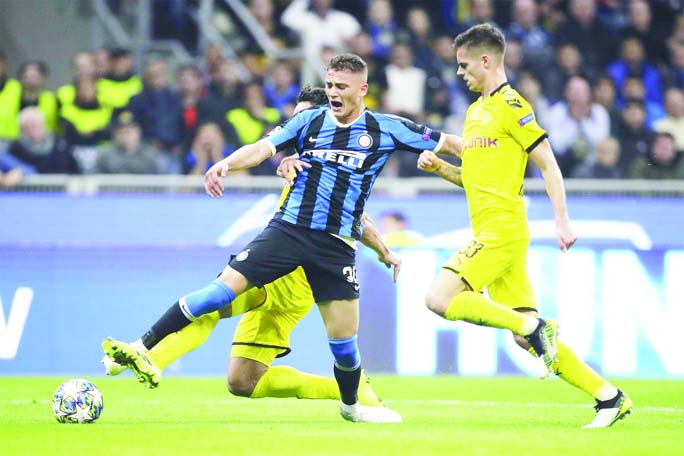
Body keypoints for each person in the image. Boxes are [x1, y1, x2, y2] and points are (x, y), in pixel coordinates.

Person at [103, 63, 461, 423]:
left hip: (310, 271)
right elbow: (262, 147)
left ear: (362, 89)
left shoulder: (377, 132)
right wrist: (226, 164)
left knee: (343, 347)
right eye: (330, 86)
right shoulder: (303, 138)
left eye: (340, 87)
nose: (334, 94)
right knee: (237, 367)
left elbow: (358, 217)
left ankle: (351, 398)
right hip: (285, 241)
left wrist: (384, 250)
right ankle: (144, 351)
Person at [417, 24, 632, 429]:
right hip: (492, 232)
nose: (459, 73)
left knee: (438, 297)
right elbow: (474, 178)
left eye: (464, 65)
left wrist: (562, 220)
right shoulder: (475, 111)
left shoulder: (512, 105)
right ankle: (610, 398)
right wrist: (441, 165)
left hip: (503, 230)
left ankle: (537, 326)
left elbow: (548, 162)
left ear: (486, 60)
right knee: (523, 338)